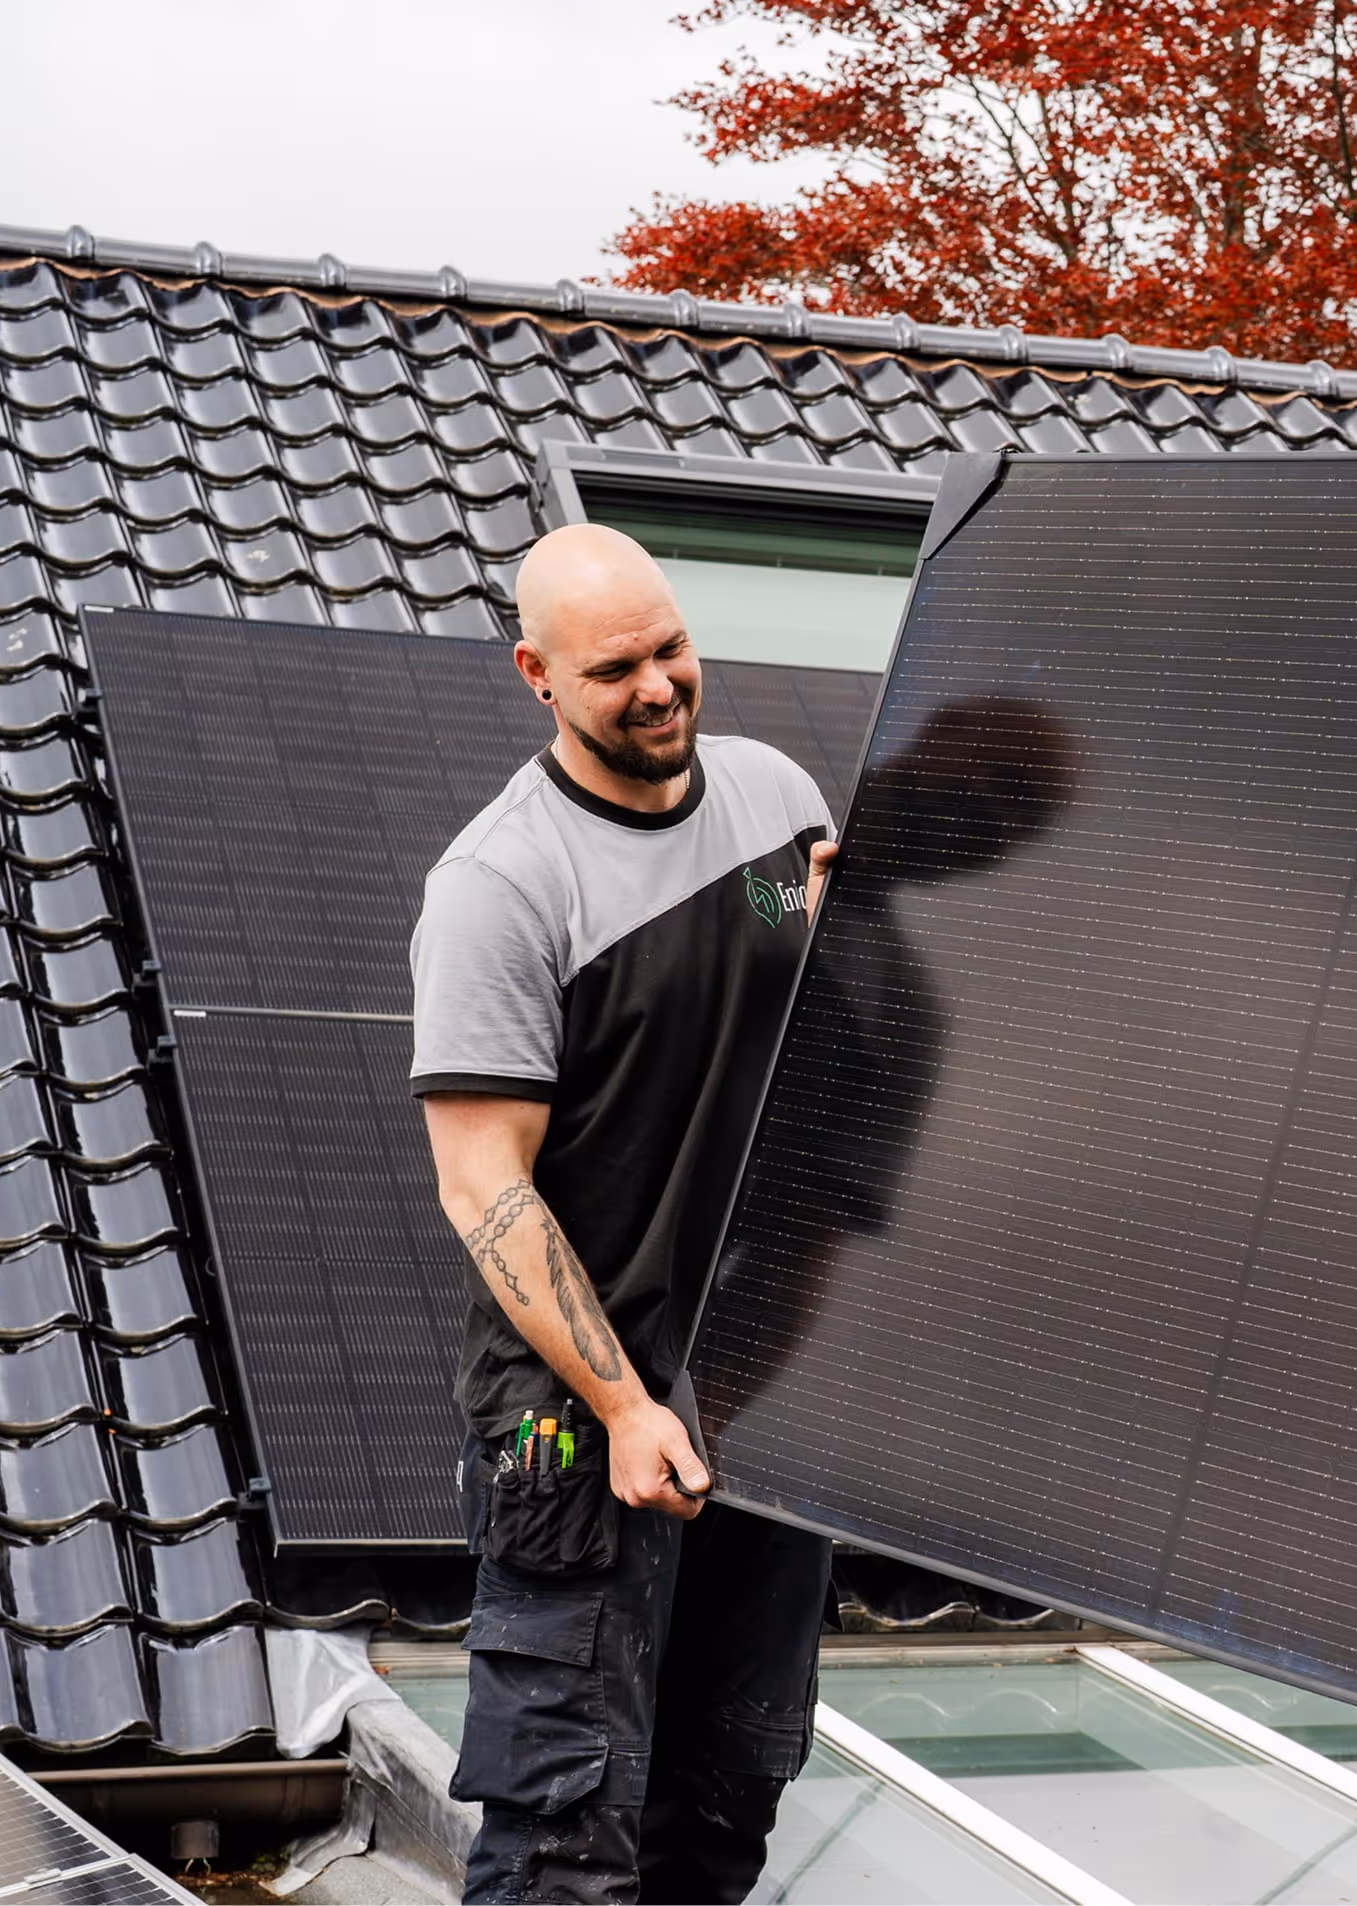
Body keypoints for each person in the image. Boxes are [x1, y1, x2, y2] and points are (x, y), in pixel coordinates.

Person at [410, 522, 843, 1902]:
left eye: (671, 649)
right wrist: (621, 1407)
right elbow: (482, 1180)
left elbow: (789, 938)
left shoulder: (775, 801)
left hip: (765, 1400)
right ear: (538, 674)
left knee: (720, 1810)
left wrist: (830, 909)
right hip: (575, 1421)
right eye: (615, 670)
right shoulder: (500, 887)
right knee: (562, 1852)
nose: (658, 687)